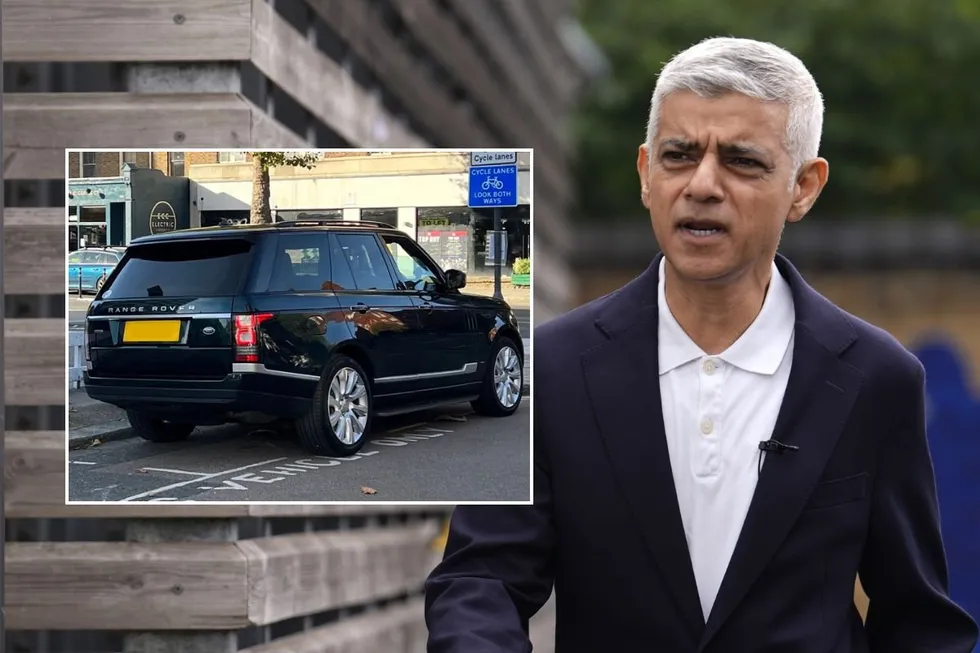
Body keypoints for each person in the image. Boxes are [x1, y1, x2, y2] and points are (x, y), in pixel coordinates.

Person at [424, 36, 979, 652]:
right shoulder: (552, 370)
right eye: (679, 155)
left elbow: (920, 622)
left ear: (804, 186)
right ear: (645, 172)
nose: (703, 184)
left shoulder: (876, 378)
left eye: (742, 161)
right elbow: (482, 581)